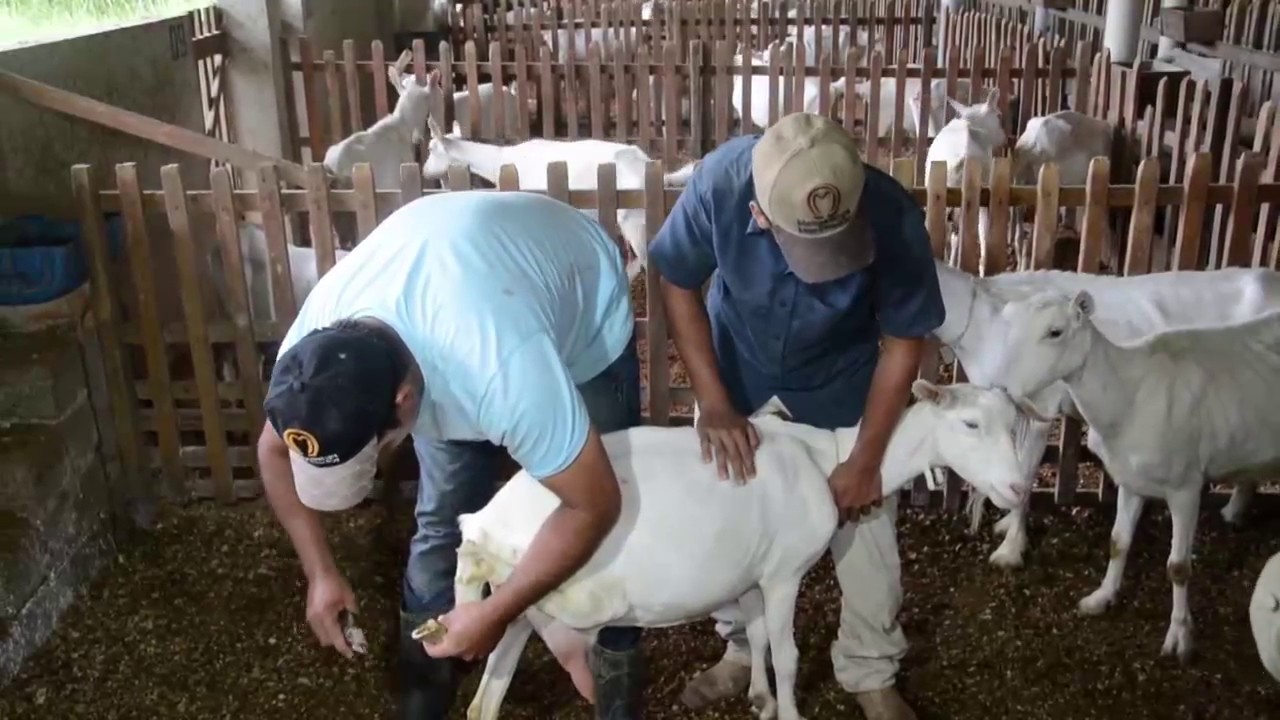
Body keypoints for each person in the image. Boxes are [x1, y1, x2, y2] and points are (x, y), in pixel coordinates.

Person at [256, 190, 646, 720]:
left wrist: (494, 611)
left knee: (612, 503)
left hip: (579, 297)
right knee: (443, 518)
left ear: (403, 402)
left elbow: (595, 502)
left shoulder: (499, 369)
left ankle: (616, 667)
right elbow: (273, 453)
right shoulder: (310, 364)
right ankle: (425, 697)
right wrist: (320, 573)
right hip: (455, 285)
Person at [647, 112, 945, 720]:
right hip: (742, 375)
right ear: (759, 214)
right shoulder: (721, 186)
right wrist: (715, 402)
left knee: (866, 525)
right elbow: (676, 280)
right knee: (733, 511)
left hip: (841, 385)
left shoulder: (890, 212)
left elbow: (903, 341)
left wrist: (865, 460)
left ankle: (870, 669)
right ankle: (740, 650)